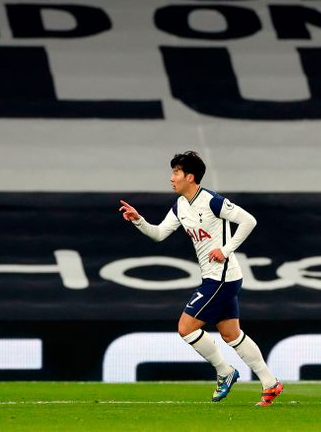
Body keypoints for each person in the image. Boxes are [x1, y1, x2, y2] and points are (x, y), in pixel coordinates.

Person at [118, 151, 283, 406]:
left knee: (186, 327)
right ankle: (270, 383)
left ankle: (225, 372)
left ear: (190, 177)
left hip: (222, 278)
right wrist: (138, 220)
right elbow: (160, 234)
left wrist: (226, 250)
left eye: (176, 173)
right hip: (215, 277)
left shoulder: (212, 201)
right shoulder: (181, 205)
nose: (171, 178)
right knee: (231, 334)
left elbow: (249, 221)